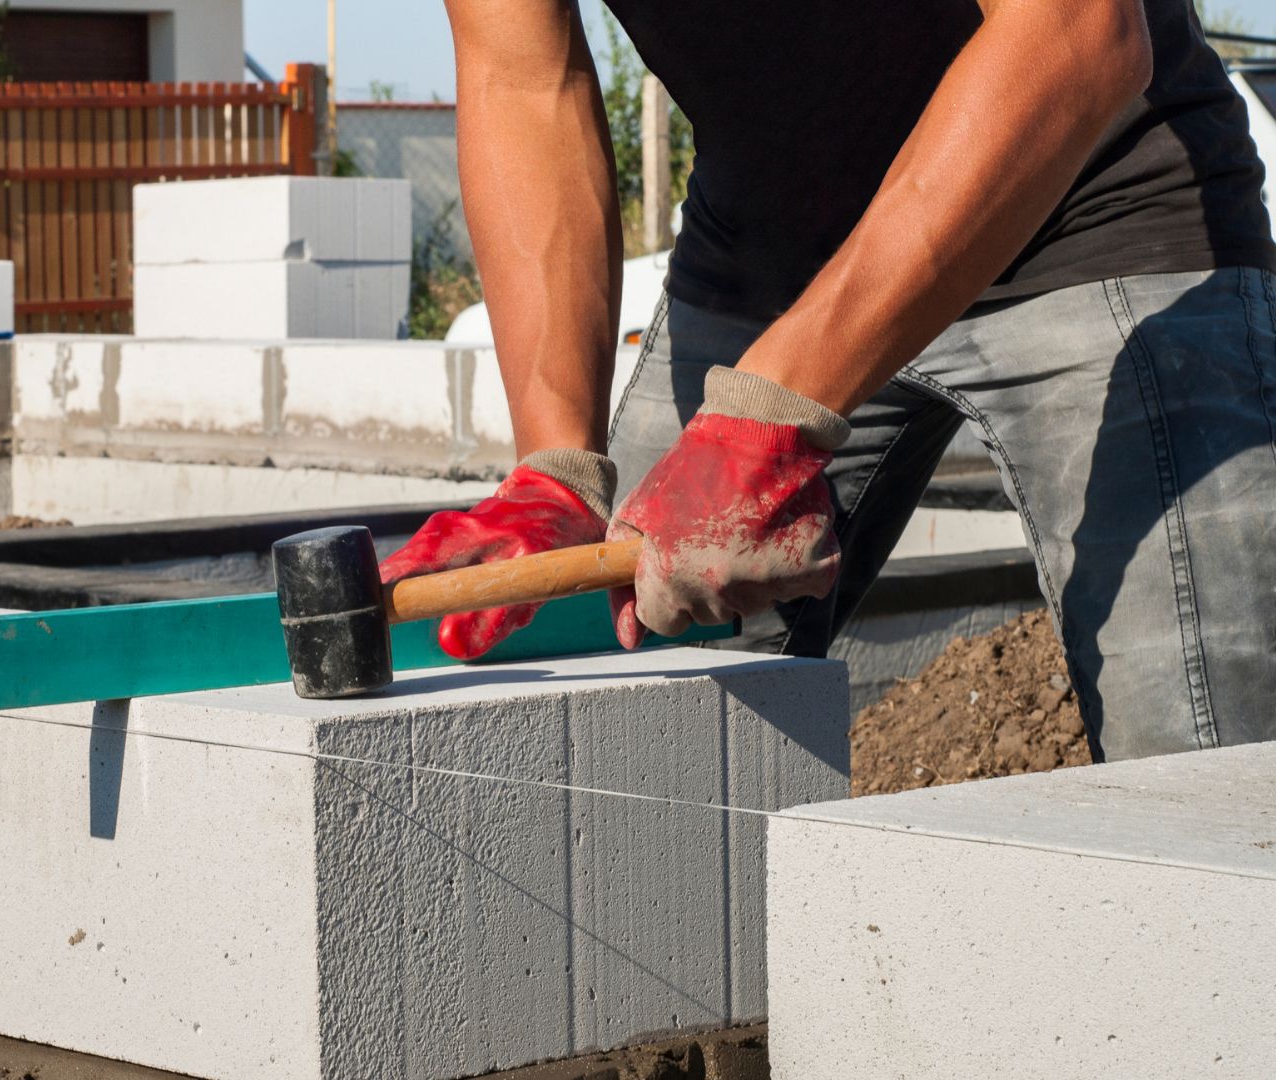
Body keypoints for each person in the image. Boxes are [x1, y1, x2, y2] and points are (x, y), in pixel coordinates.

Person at [382, 0, 1276, 762]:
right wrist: (556, 470)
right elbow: (522, 81)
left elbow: (1077, 29)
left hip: (1095, 207)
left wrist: (766, 413)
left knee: (1200, 777)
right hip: (770, 261)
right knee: (618, 722)